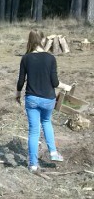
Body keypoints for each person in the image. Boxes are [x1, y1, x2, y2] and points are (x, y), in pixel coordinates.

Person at [16, 30, 72, 172]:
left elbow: (21, 80)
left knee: (34, 131)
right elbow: (54, 83)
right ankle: (53, 152)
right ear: (42, 39)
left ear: (29, 40)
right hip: (48, 99)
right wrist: (66, 87)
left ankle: (33, 164)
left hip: (32, 99)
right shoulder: (50, 58)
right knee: (46, 122)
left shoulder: (26, 58)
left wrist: (17, 94)